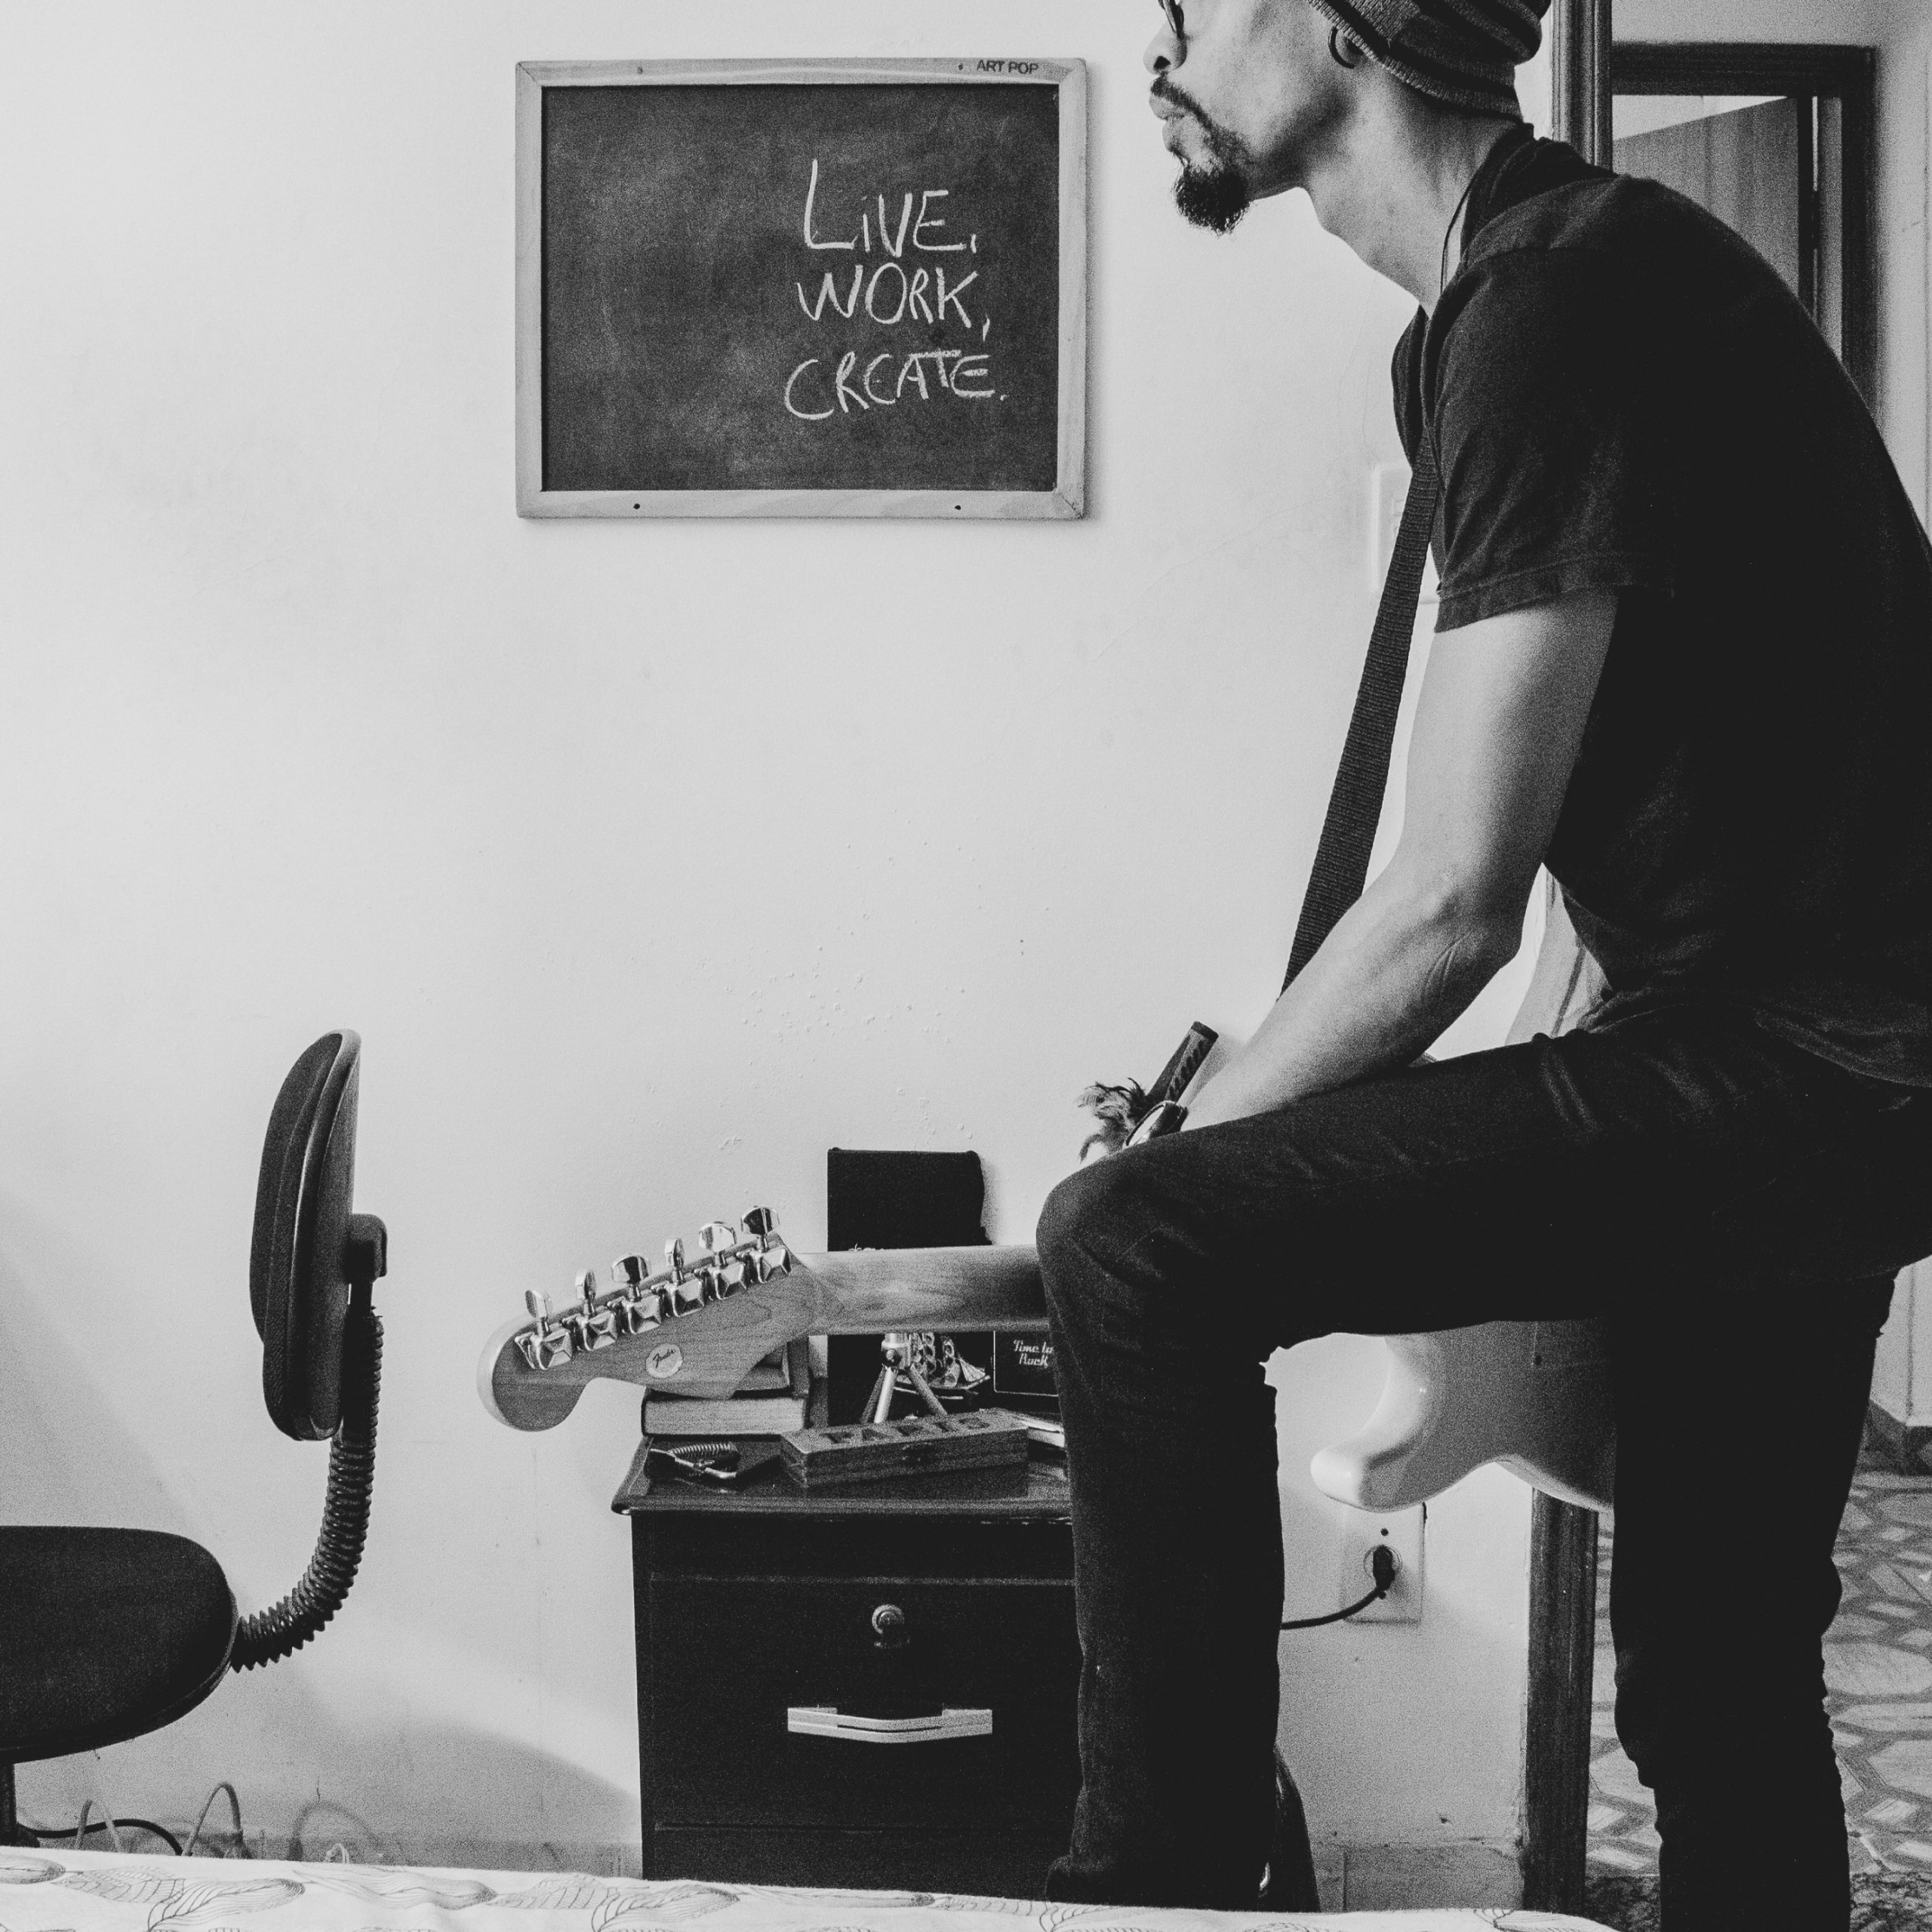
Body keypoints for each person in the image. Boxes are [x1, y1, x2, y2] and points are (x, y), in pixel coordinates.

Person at [1035, 5, 1932, 1928]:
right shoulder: (1519, 299)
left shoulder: (1549, 311)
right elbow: (1593, 829)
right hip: (1823, 1072)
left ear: (1347, 28)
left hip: (1791, 1069)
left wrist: (1158, 1167)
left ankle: (1153, 1895)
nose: (1161, 41)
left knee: (1131, 1248)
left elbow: (1450, 896)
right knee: (1713, 1676)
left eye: (1202, 7)